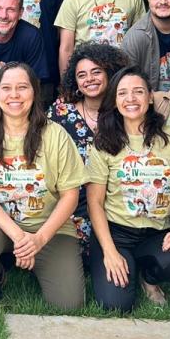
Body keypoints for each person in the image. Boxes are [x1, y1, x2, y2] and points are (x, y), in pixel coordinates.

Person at [0, 63, 87, 309]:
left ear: (35, 92)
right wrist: (19, 237)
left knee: (69, 303)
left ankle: (35, 258)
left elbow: (71, 195)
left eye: (22, 88)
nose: (14, 95)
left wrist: (38, 240)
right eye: (6, 88)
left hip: (48, 227)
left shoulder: (55, 134)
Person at [85, 67, 170, 312]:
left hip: (157, 232)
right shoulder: (104, 142)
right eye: (123, 93)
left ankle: (149, 277)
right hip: (116, 233)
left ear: (150, 97)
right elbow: (94, 202)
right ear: (115, 101)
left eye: (138, 92)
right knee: (116, 305)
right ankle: (125, 263)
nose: (131, 99)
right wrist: (109, 251)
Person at [48, 42, 129, 247]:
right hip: (71, 198)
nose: (89, 79)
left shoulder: (125, 112)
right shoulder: (60, 114)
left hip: (114, 199)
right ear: (75, 81)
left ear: (110, 74)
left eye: (96, 72)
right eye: (82, 75)